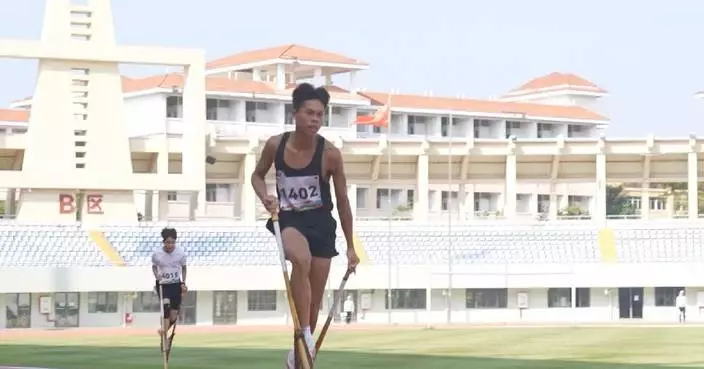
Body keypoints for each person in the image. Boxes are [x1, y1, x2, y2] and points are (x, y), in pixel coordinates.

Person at [250, 83, 360, 366]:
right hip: (288, 220)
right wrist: (265, 197)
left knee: (312, 304)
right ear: (295, 113)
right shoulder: (276, 145)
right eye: (309, 113)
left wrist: (350, 247)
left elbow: (344, 203)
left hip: (322, 225)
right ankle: (306, 338)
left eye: (320, 115)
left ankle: (299, 357)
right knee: (301, 259)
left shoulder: (331, 154)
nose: (315, 119)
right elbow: (257, 176)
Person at [152, 227, 188, 342]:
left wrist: (183, 283)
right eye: (168, 242)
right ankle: (164, 337)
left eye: (172, 242)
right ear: (163, 241)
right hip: (163, 285)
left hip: (175, 284)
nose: (170, 245)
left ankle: (163, 331)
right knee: (166, 308)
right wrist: (156, 275)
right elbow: (154, 266)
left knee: (173, 316)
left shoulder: (180, 253)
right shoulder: (157, 254)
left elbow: (184, 268)